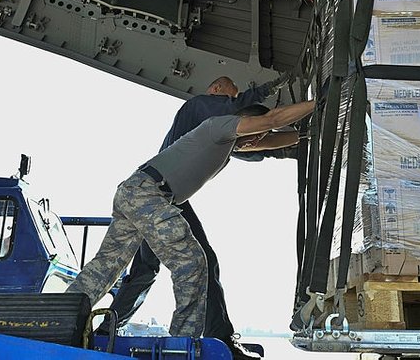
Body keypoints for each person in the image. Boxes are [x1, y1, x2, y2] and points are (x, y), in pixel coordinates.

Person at [67, 99, 315, 344]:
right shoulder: (220, 126)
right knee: (192, 262)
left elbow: (276, 138)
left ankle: (58, 321)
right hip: (150, 194)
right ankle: (183, 342)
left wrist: (310, 133)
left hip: (134, 191)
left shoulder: (229, 144)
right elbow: (272, 120)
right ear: (247, 121)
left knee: (106, 266)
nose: (257, 142)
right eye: (257, 133)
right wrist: (318, 102)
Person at [102, 75, 289, 359]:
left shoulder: (222, 136)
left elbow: (257, 147)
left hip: (156, 199)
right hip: (162, 196)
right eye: (229, 94)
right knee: (204, 260)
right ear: (215, 89)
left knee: (145, 269)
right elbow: (238, 111)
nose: (230, 100)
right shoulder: (200, 107)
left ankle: (107, 331)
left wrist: (297, 140)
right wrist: (268, 89)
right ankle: (220, 337)